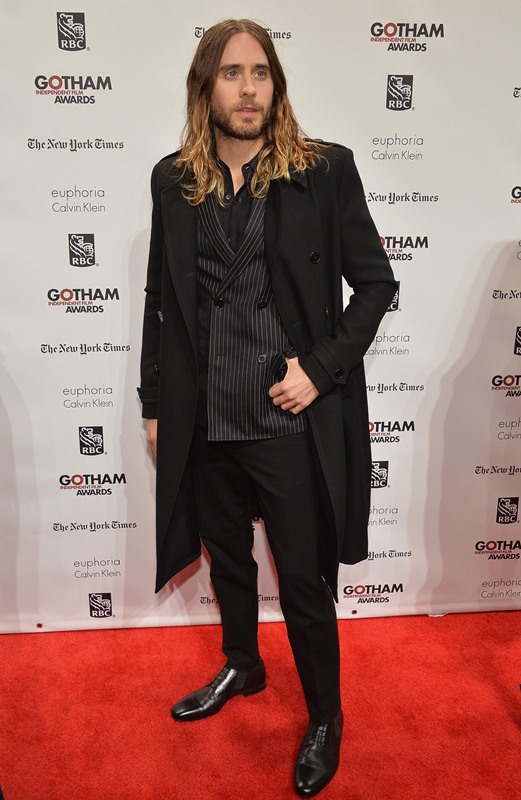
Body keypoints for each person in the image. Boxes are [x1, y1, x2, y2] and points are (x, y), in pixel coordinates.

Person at [138, 18, 396, 797]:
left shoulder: (323, 171)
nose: (247, 88)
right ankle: (243, 665)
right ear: (205, 87)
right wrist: (155, 401)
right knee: (227, 559)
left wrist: (318, 369)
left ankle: (324, 718)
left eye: (259, 73)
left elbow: (375, 285)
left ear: (275, 85)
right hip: (203, 414)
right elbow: (159, 299)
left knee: (305, 582)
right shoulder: (172, 179)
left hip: (286, 417)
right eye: (231, 73)